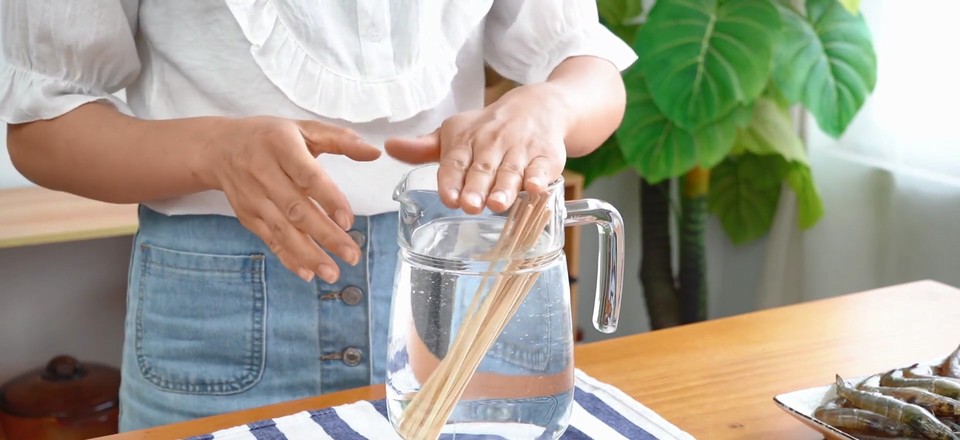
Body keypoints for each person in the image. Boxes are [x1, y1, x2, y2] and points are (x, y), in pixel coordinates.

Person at [0, 0, 635, 431]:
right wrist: (213, 152)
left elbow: (584, 66)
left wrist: (550, 104)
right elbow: (43, 126)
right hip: (218, 308)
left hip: (447, 292)